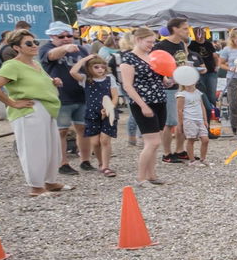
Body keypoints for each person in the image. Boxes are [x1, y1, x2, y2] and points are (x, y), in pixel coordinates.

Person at [0, 28, 69, 195]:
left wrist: (54, 82)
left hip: (47, 108)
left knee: (51, 147)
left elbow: (39, 82)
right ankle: (36, 186)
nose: (34, 45)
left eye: (35, 42)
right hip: (30, 110)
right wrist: (12, 103)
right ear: (16, 47)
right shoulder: (12, 65)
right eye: (29, 43)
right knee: (34, 149)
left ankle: (50, 182)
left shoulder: (35, 64)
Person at [118, 28, 169, 187]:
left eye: (153, 42)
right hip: (143, 103)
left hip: (159, 100)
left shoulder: (152, 56)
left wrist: (167, 81)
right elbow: (128, 86)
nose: (152, 45)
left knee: (155, 142)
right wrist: (143, 105)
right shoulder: (128, 59)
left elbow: (160, 77)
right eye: (149, 42)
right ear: (138, 40)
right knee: (152, 142)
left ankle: (152, 175)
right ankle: (140, 177)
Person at [39, 23, 89, 175]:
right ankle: (63, 163)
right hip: (61, 97)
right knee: (61, 131)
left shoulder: (81, 49)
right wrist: (65, 48)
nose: (66, 39)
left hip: (81, 95)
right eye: (61, 36)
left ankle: (85, 160)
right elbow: (51, 56)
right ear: (52, 37)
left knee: (83, 129)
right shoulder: (46, 48)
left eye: (69, 36)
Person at [79, 54, 118, 177]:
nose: (100, 69)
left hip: (108, 112)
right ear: (89, 68)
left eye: (102, 67)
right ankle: (101, 163)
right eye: (96, 67)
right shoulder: (85, 79)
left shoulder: (110, 78)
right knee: (95, 143)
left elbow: (115, 96)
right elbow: (73, 72)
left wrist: (109, 108)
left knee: (105, 140)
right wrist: (85, 59)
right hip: (91, 113)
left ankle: (106, 166)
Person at [157, 17, 189, 163]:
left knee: (182, 120)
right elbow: (155, 65)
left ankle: (180, 150)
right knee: (170, 121)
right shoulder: (161, 46)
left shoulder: (181, 44)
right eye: (185, 28)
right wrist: (165, 77)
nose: (187, 31)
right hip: (168, 88)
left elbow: (183, 61)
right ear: (175, 29)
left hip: (181, 85)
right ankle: (166, 153)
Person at [173, 67, 211, 166]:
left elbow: (202, 106)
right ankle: (192, 160)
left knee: (205, 140)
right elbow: (180, 110)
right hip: (189, 120)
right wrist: (180, 124)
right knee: (191, 140)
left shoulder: (198, 92)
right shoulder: (181, 95)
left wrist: (205, 120)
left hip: (199, 120)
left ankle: (203, 159)